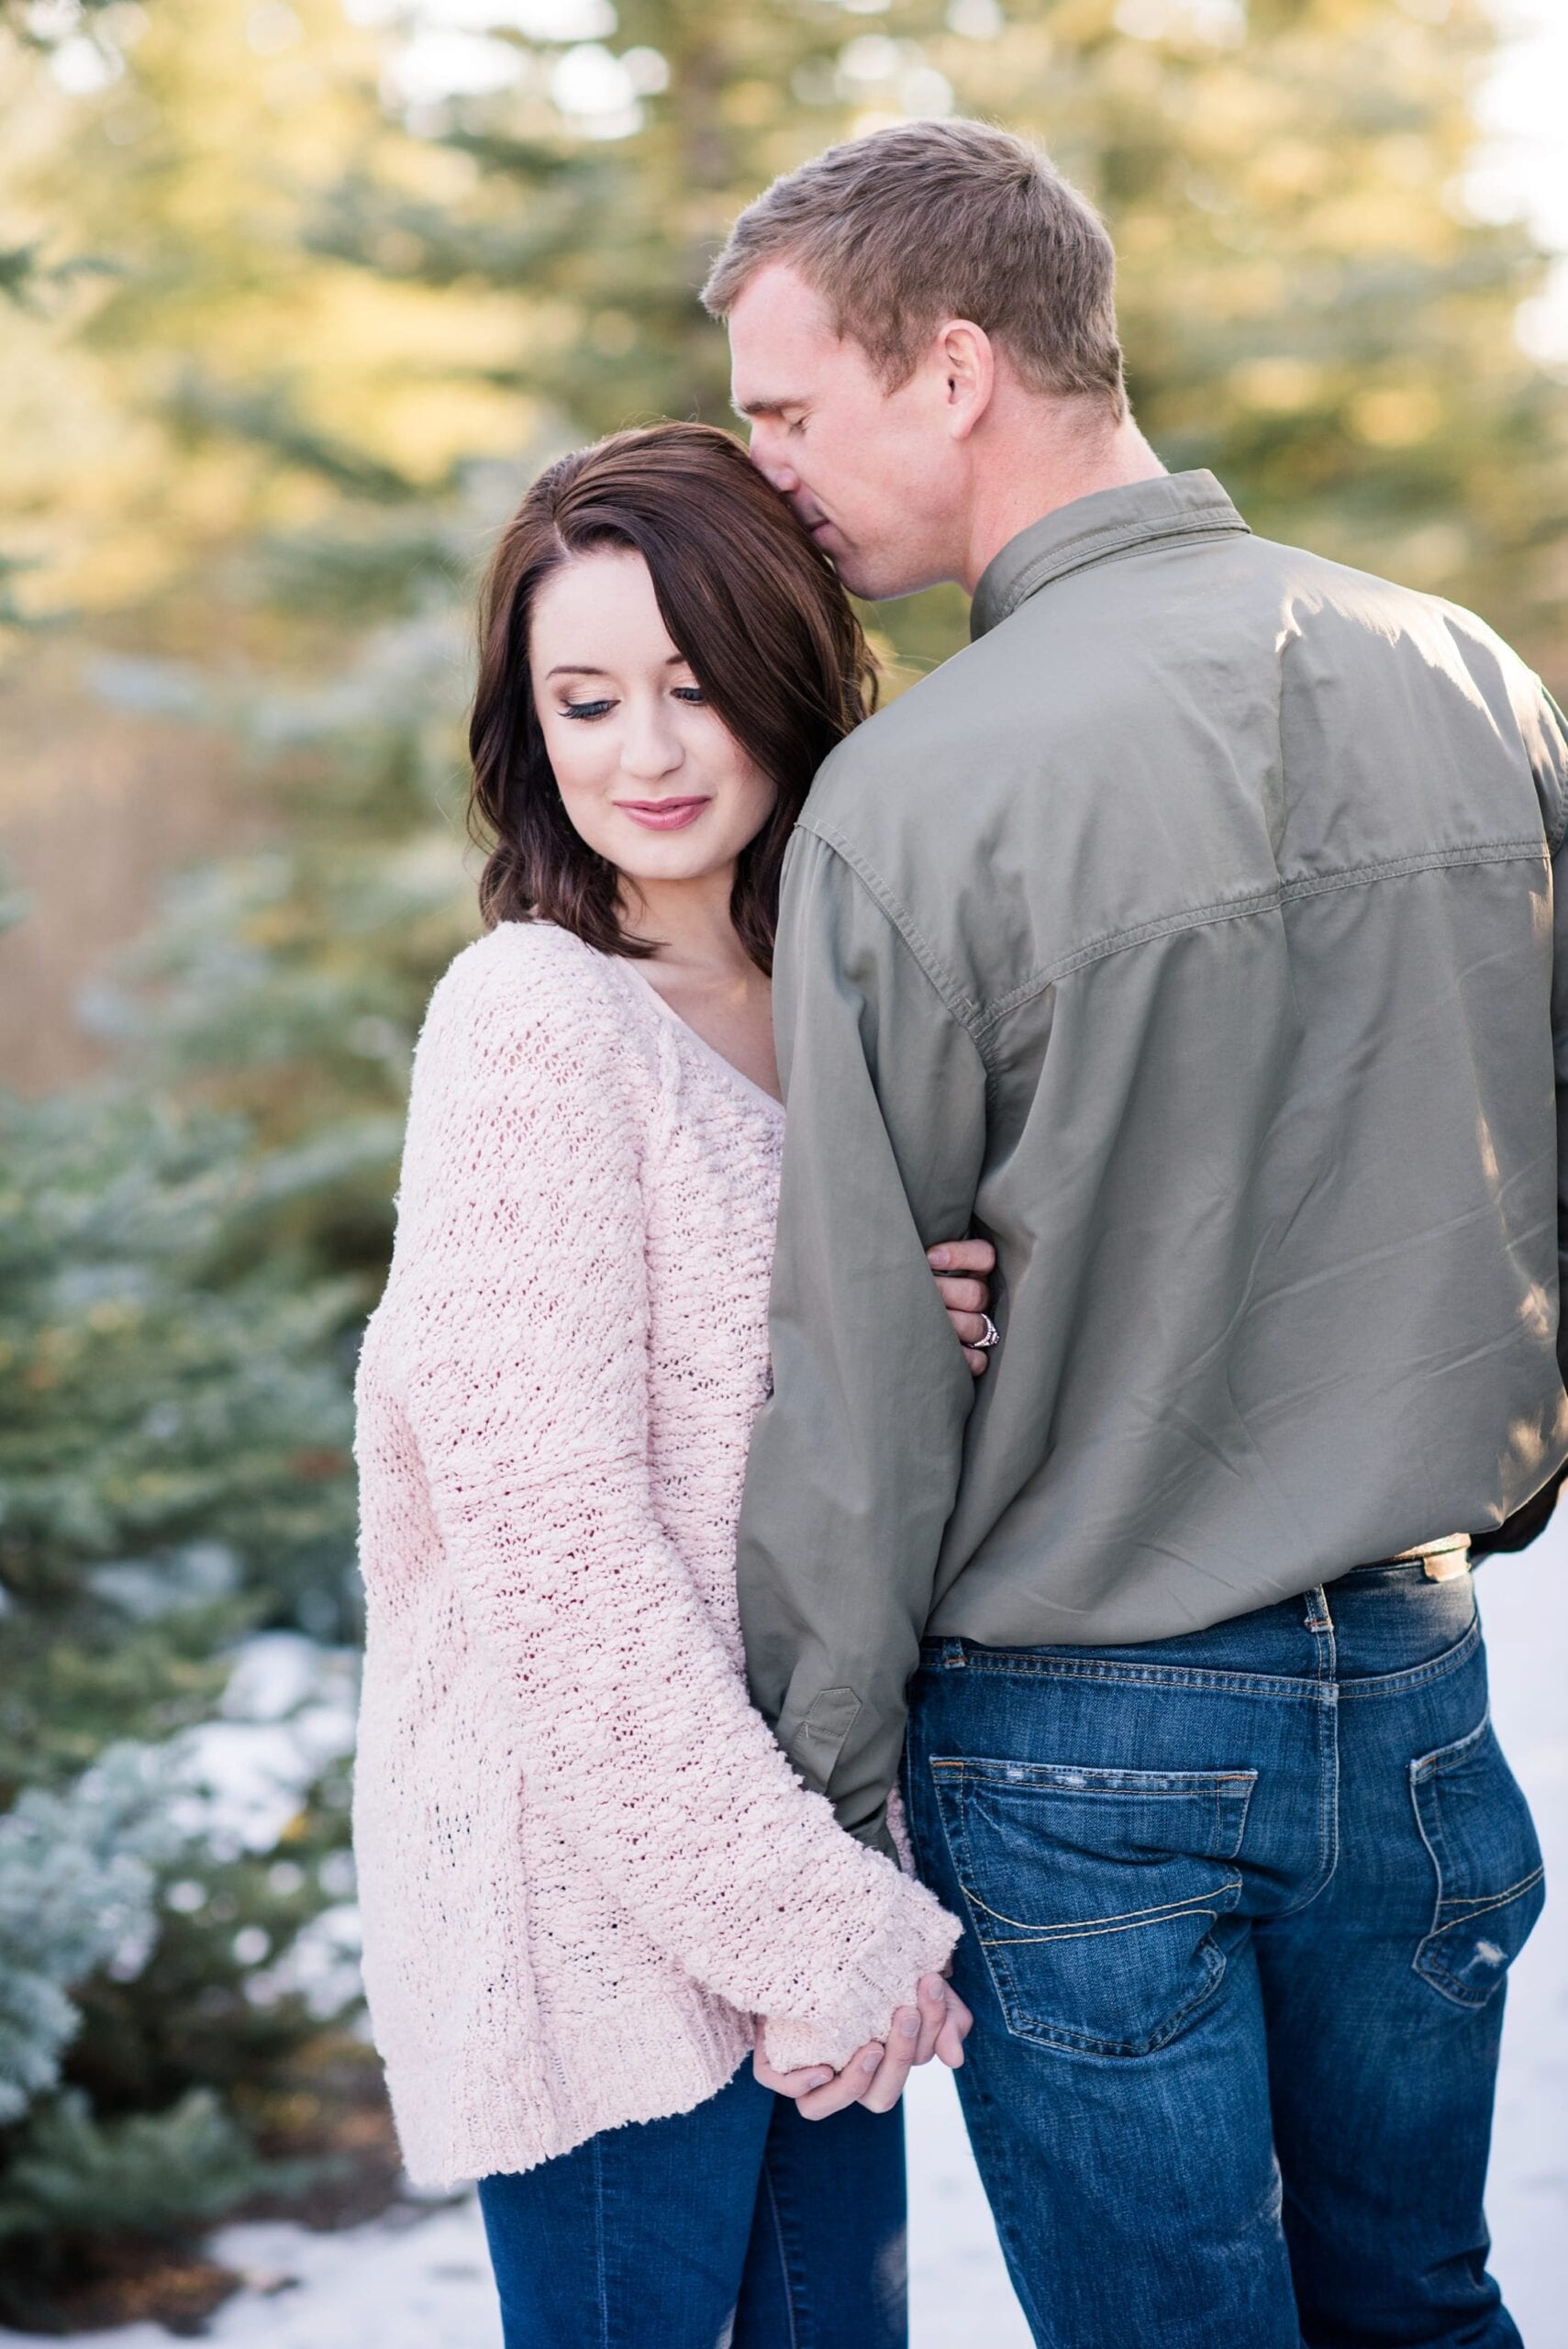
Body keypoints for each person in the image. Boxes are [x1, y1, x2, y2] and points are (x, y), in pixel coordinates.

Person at [705, 117, 1563, 2347]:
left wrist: (817, 1794)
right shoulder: (1470, 673)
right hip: (1419, 1683)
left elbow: (866, 1381)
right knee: (1427, 2305)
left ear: (957, 367)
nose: (769, 462)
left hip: (1080, 1739)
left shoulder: (911, 797)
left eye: (790, 407)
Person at [350, 421, 990, 2349]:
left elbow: (777, 1426)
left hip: (796, 1858)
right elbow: (556, 1549)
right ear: (524, 720)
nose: (644, 749)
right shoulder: (537, 1017)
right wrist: (820, 1926)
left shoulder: (831, 1002)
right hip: (609, 1918)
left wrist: (920, 1324)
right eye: (587, 696)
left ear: (790, 676)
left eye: (696, 683)